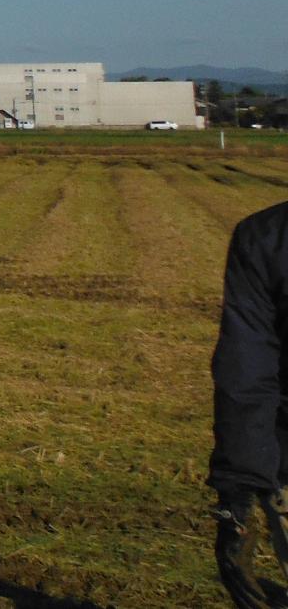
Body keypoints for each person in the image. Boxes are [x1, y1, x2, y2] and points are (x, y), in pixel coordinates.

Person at [209, 202, 288, 608]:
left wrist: (236, 494)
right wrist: (237, 492)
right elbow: (247, 370)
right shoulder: (266, 240)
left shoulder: (266, 237)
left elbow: (247, 372)